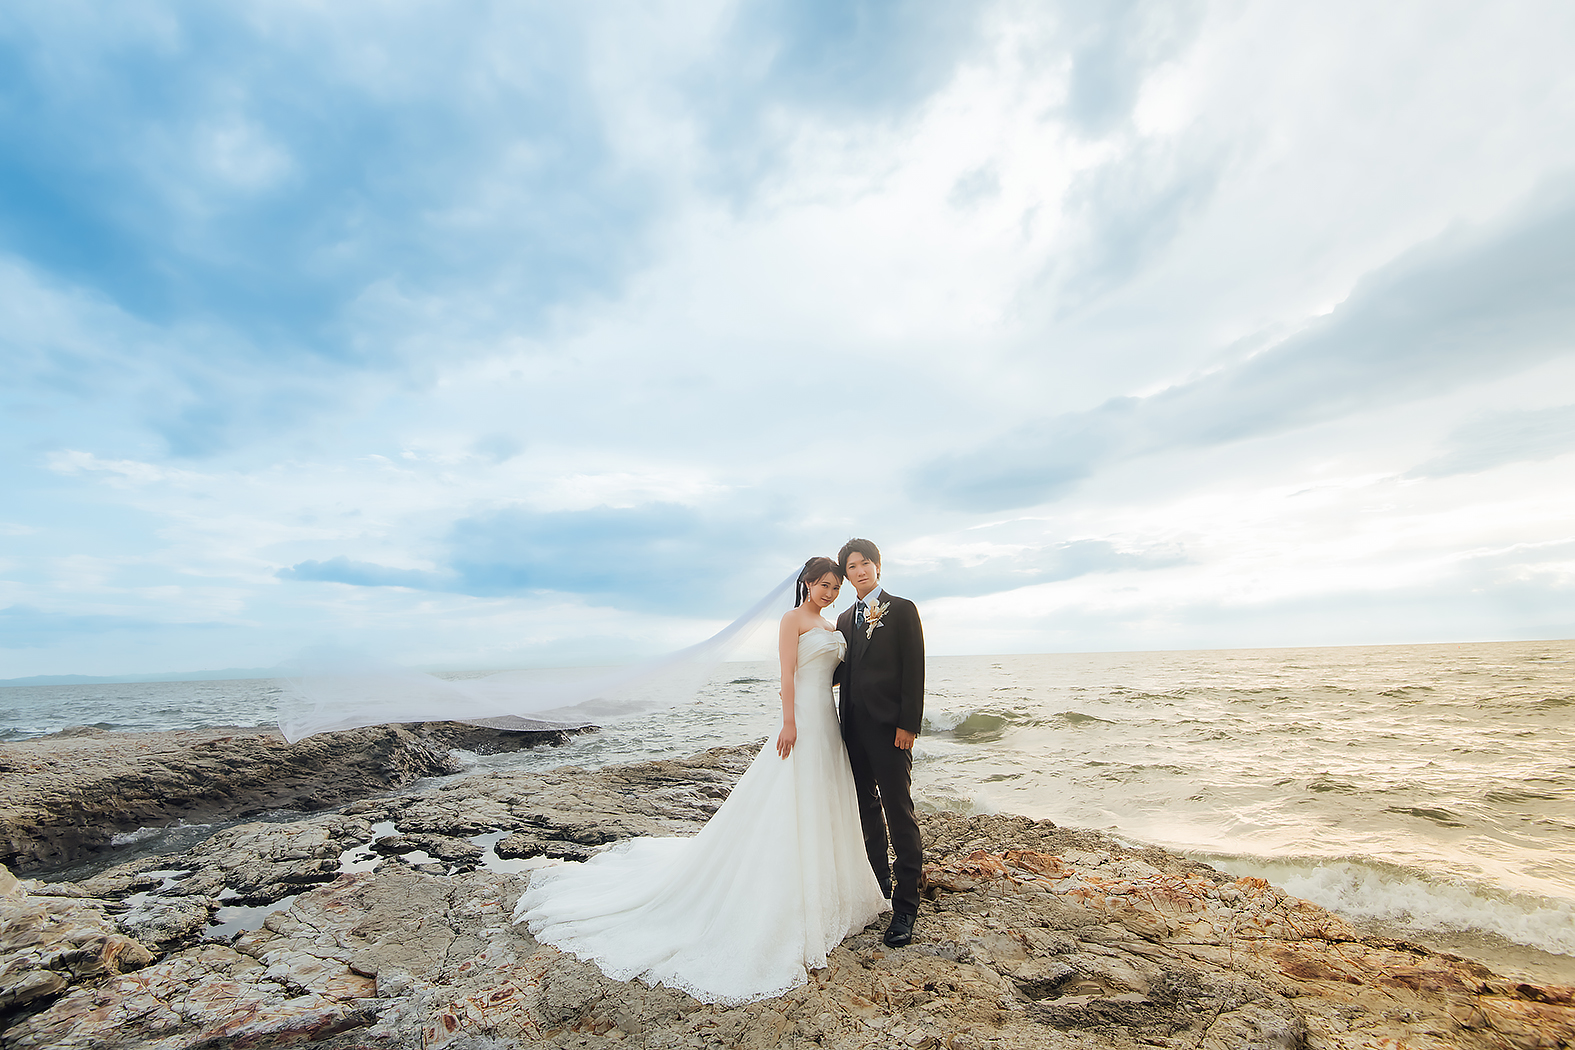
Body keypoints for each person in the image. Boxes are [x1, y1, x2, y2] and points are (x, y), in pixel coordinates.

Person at [512, 557, 887, 1004]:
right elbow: (786, 675)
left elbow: (839, 673)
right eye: (825, 585)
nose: (831, 593)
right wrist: (788, 722)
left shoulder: (831, 622)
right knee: (791, 796)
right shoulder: (792, 620)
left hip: (828, 719)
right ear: (807, 583)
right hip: (802, 718)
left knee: (823, 798)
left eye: (836, 587)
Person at [833, 538, 925, 948]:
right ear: (845, 574)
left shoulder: (902, 609)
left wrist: (909, 725)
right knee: (866, 810)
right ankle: (879, 885)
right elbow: (841, 673)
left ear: (878, 566)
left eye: (866, 562)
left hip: (891, 732)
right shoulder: (842, 619)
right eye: (852, 566)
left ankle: (906, 906)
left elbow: (914, 670)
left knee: (898, 811)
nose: (860, 570)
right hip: (852, 731)